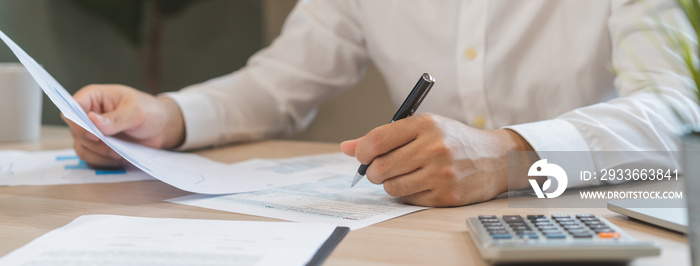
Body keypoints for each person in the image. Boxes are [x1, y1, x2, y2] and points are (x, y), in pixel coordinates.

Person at [63, 0, 699, 207]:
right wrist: (166, 117)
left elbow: (677, 114)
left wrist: (508, 157)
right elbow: (280, 81)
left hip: (592, 220)